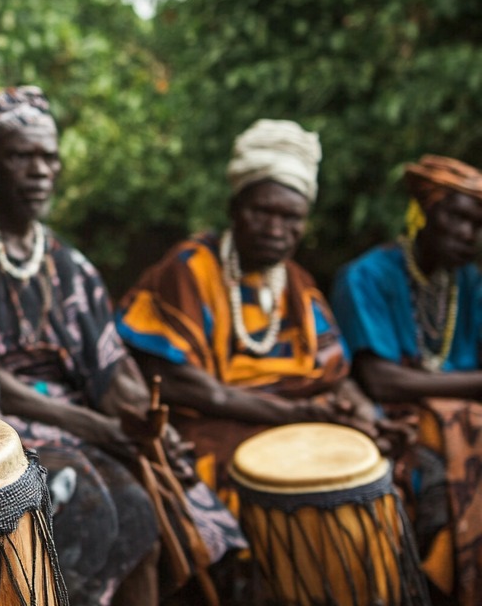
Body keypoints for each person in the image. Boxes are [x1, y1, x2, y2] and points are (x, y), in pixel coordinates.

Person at [0, 87, 243, 606]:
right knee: (97, 504)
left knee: (149, 511)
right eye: (22, 156)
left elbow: (110, 367)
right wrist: (97, 427)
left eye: (49, 157)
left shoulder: (69, 263)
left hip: (79, 420)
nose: (41, 170)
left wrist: (145, 422)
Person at [116, 119, 383, 502]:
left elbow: (336, 375)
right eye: (262, 211)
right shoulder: (190, 269)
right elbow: (196, 391)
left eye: (291, 217)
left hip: (299, 422)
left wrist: (364, 416)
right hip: (211, 428)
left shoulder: (297, 283)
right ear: (234, 208)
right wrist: (300, 415)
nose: (276, 228)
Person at [332, 155, 482, 603]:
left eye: (478, 225)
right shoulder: (366, 276)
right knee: (433, 479)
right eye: (455, 217)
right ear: (422, 211)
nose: (467, 234)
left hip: (465, 423)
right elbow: (380, 380)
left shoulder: (470, 285)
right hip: (390, 423)